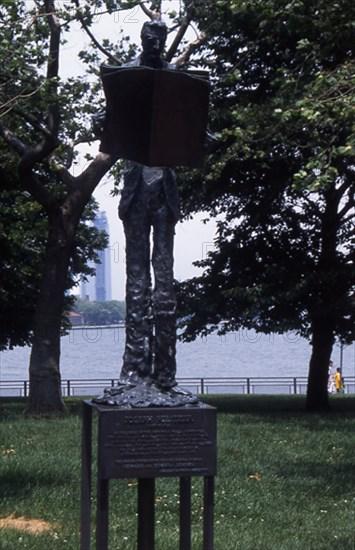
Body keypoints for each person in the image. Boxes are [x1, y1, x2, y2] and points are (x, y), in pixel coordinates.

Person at [103, 20, 180, 392]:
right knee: (136, 283)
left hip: (164, 191)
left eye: (159, 39)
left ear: (163, 41)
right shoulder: (126, 79)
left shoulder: (178, 82)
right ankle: (134, 373)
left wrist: (200, 135)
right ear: (142, 40)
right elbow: (108, 124)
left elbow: (193, 126)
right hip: (136, 192)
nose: (154, 44)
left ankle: (165, 377)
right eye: (149, 39)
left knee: (164, 285)